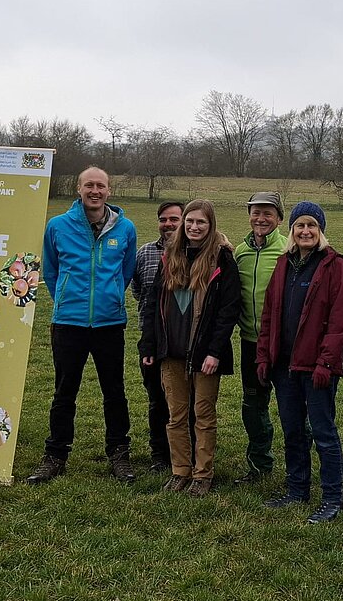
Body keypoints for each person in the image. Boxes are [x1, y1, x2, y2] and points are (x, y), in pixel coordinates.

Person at [27, 166, 138, 484]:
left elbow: (126, 271)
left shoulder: (125, 228)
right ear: (79, 188)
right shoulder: (58, 226)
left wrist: (112, 296)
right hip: (68, 323)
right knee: (64, 393)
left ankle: (119, 454)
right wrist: (66, 299)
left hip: (109, 324)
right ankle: (55, 456)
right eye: (89, 185)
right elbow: (51, 271)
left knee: (114, 392)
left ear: (109, 191)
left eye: (101, 186)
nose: (95, 191)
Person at [255, 202, 343, 524]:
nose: (306, 231)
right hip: (285, 366)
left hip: (317, 367)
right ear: (292, 231)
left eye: (312, 226)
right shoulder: (284, 264)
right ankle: (297, 488)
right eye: (300, 226)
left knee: (324, 431)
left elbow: (341, 319)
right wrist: (264, 355)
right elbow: (270, 313)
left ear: (321, 230)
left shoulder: (333, 264)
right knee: (292, 429)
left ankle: (332, 497)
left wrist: (327, 362)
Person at [138, 199, 240, 497]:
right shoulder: (169, 256)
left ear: (211, 226)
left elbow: (228, 312)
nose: (195, 227)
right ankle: (180, 471)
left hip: (204, 354)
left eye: (201, 223)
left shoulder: (222, 259)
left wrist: (215, 352)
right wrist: (149, 343)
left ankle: (202, 474)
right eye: (190, 222)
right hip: (170, 352)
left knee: (204, 415)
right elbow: (153, 305)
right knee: (176, 416)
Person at [232, 191, 288, 484]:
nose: (261, 218)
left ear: (279, 218)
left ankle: (297, 466)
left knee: (292, 406)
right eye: (256, 212)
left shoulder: (289, 251)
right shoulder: (239, 251)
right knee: (253, 404)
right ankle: (259, 464)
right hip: (250, 342)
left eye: (268, 213)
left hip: (284, 344)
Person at [130, 200, 184, 472]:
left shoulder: (195, 252)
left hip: (182, 342)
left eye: (175, 219)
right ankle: (159, 455)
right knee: (157, 401)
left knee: (186, 402)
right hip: (150, 339)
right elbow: (138, 290)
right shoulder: (144, 253)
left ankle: (185, 453)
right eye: (164, 219)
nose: (169, 224)